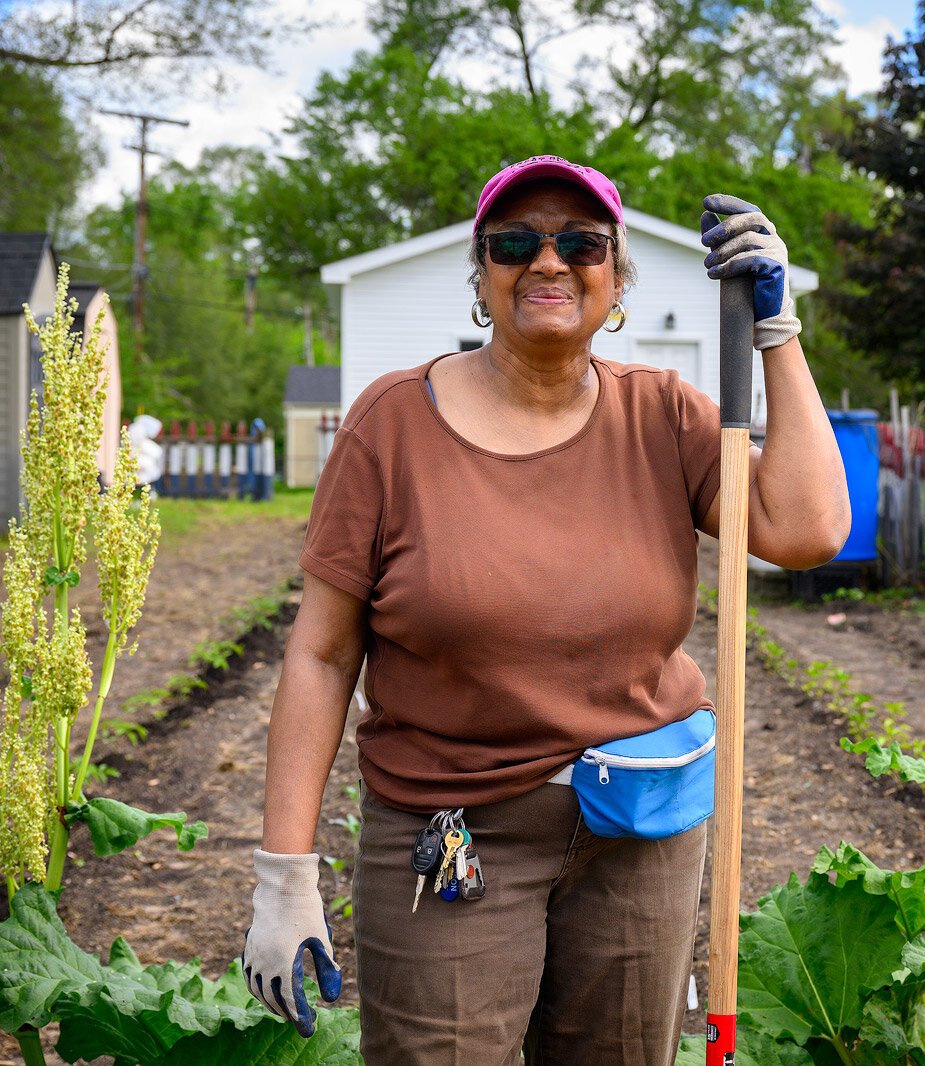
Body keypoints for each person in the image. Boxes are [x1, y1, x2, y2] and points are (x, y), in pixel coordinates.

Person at [241, 154, 850, 1065]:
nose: (549, 262)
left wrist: (779, 332)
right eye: (516, 242)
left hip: (639, 831)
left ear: (617, 275)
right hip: (453, 839)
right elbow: (323, 656)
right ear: (484, 275)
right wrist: (283, 878)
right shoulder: (391, 425)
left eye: (582, 242)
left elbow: (807, 530)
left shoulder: (666, 417)